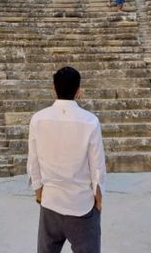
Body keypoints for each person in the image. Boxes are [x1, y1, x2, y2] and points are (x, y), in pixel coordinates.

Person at [27, 66, 106, 253]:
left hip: (50, 202)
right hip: (81, 204)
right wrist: (98, 199)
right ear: (78, 91)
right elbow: (97, 166)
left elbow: (33, 160)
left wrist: (39, 192)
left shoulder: (38, 119)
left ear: (54, 89)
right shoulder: (90, 121)